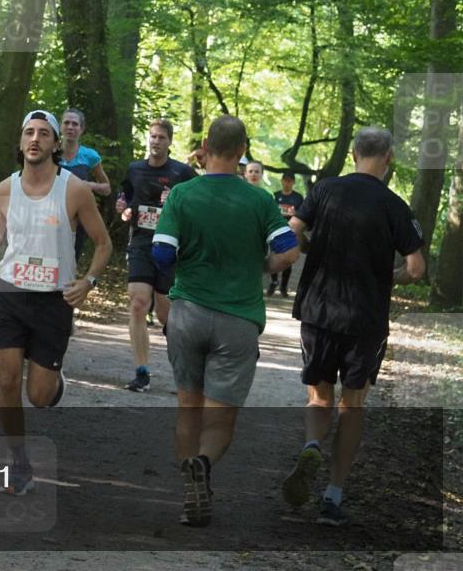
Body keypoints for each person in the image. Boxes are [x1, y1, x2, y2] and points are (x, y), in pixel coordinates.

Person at [151, 115, 299, 527]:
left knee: (187, 407)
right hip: (238, 319)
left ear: (204, 148)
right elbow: (288, 252)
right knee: (221, 418)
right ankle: (203, 462)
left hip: (187, 314)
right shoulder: (260, 200)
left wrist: (185, 272)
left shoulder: (181, 195)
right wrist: (261, 266)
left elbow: (161, 255)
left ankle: (187, 494)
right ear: (241, 151)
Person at [281, 127, 424, 527]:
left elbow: (293, 234)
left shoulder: (324, 190)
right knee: (353, 405)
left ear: (355, 153)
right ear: (389, 158)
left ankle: (312, 444)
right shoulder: (395, 205)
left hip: (318, 310)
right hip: (366, 318)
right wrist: (386, 275)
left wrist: (313, 248)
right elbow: (415, 268)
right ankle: (333, 494)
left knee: (319, 396)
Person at [0, 110, 112, 495]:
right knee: (8, 379)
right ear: (20, 143)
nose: (35, 139)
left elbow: (103, 243)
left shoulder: (75, 189)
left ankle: (52, 380)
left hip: (53, 301)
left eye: (43, 134)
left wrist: (89, 281)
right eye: (28, 133)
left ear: (56, 144)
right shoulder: (3, 190)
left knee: (39, 396)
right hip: (10, 294)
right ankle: (19, 462)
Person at [115, 119, 196, 392]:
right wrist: (123, 207)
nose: (156, 141)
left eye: (161, 137)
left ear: (170, 142)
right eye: (152, 136)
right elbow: (124, 194)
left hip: (170, 248)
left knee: (166, 315)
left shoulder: (183, 173)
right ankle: (142, 372)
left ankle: (186, 371)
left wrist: (177, 203)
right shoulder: (135, 169)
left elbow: (199, 205)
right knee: (138, 303)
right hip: (140, 244)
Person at [59, 108, 112, 261]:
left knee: (70, 262)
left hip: (78, 218)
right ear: (61, 127)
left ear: (81, 129)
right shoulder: (50, 153)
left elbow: (107, 188)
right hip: (51, 215)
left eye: (75, 124)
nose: (70, 127)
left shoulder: (90, 156)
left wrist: (88, 185)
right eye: (66, 123)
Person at [268, 171, 305, 296]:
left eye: (290, 180)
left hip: (291, 231)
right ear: (282, 181)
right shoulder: (275, 195)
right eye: (285, 180)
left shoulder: (298, 198)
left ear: (293, 182)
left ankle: (284, 286)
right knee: (275, 255)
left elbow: (303, 214)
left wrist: (295, 215)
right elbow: (270, 211)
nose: (287, 183)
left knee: (288, 259)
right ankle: (273, 282)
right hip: (276, 230)